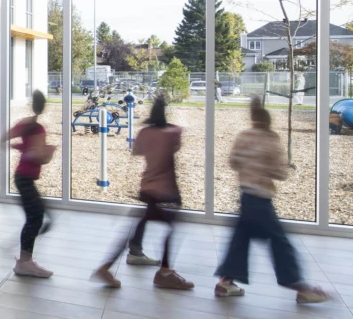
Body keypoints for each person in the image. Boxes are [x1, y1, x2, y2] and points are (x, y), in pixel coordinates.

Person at [215, 98, 329, 303]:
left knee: (240, 241)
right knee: (280, 242)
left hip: (245, 196)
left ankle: (225, 282)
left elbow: (233, 162)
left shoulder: (243, 136)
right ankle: (300, 287)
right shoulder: (271, 138)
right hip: (261, 199)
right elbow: (280, 173)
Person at [92, 96, 192, 290]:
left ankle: (112, 264)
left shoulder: (145, 132)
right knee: (171, 227)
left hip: (147, 186)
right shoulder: (174, 132)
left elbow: (137, 152)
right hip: (166, 189)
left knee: (140, 224)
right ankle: (164, 272)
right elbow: (176, 148)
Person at [8, 90, 56, 278]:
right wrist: (48, 151)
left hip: (22, 178)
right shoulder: (37, 128)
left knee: (37, 216)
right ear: (43, 106)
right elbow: (36, 156)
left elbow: (7, 138)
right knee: (35, 218)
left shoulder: (27, 124)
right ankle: (24, 263)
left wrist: (22, 146)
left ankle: (25, 261)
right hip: (25, 178)